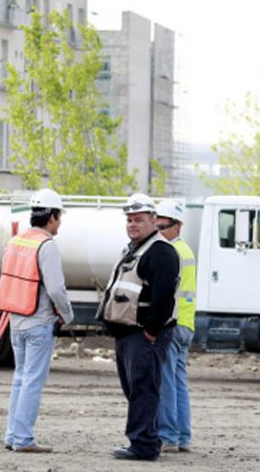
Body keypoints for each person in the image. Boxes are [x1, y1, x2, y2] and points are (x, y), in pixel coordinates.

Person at [97, 193, 180, 461]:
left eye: (139, 219)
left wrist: (151, 332)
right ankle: (144, 439)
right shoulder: (134, 249)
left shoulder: (162, 252)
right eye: (129, 220)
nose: (133, 224)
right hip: (128, 332)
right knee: (134, 389)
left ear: (153, 221)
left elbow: (164, 297)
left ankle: (143, 445)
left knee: (143, 388)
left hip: (144, 332)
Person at [0, 188, 73, 453]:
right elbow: (55, 289)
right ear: (52, 217)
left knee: (20, 378)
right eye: (59, 216)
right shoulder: (46, 245)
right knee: (32, 381)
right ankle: (23, 439)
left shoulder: (16, 242)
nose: (60, 222)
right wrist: (67, 314)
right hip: (39, 322)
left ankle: (13, 435)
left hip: (16, 320)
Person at [154, 200, 196, 453]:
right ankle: (182, 435)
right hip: (186, 323)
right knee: (178, 381)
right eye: (156, 225)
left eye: (163, 225)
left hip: (174, 322)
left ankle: (168, 435)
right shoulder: (186, 250)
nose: (159, 230)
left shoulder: (172, 252)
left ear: (178, 225)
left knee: (166, 380)